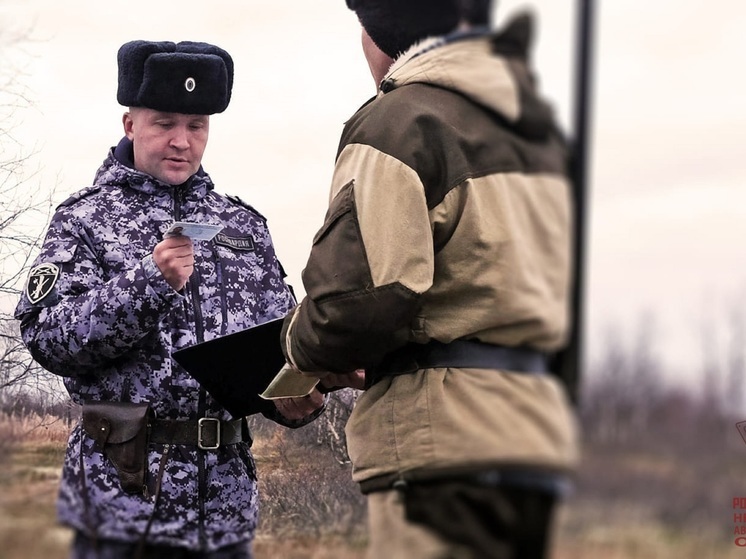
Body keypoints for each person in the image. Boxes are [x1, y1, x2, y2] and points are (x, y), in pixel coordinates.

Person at [281, 1, 580, 557]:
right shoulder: (535, 132)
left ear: (377, 32)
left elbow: (358, 303)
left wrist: (297, 353)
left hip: (441, 451)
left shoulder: (400, 122)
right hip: (533, 436)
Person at [15, 40, 325, 559]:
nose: (182, 141)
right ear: (130, 124)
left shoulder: (244, 227)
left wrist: (298, 397)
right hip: (118, 506)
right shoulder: (83, 220)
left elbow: (280, 344)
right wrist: (147, 284)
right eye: (164, 123)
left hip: (224, 509)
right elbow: (50, 338)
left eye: (196, 125)